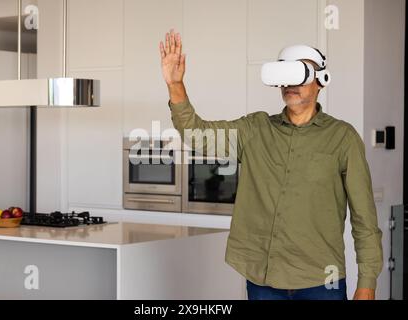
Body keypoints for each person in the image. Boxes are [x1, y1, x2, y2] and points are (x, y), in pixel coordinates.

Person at [159, 29, 383, 300]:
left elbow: (365, 220)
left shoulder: (343, 138)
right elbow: (197, 135)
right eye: (285, 74)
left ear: (321, 81)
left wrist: (367, 283)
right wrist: (175, 85)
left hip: (322, 279)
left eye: (300, 74)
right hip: (263, 279)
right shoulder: (255, 129)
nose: (290, 83)